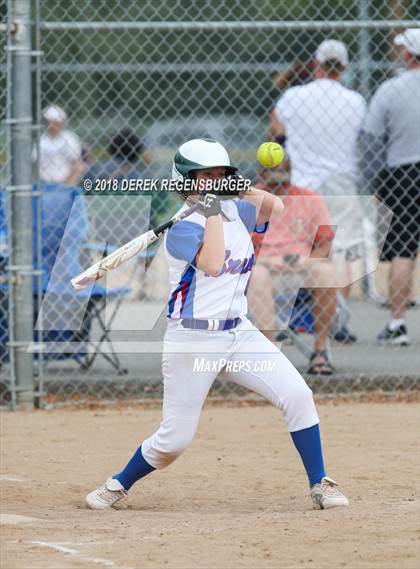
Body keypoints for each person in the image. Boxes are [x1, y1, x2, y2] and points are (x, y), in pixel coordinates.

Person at [85, 138, 349, 511]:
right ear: (186, 181)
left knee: (298, 395)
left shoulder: (238, 212)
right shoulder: (181, 230)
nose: (212, 181)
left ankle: (319, 482)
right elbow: (211, 263)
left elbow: (275, 206)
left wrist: (242, 188)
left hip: (238, 333)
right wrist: (209, 211)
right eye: (204, 175)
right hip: (192, 340)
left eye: (219, 175)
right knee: (174, 441)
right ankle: (117, 484)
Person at [269, 39, 367, 344]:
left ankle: (290, 318)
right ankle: (337, 319)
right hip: (342, 180)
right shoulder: (355, 100)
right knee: (344, 249)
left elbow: (275, 127)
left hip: (304, 181)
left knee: (298, 247)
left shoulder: (293, 96)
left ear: (316, 64)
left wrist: (288, 141)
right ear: (345, 67)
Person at [248, 159, 336, 375]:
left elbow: (325, 243)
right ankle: (269, 353)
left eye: (282, 179)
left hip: (301, 270)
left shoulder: (309, 198)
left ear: (290, 173)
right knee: (258, 276)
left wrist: (307, 261)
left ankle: (320, 351)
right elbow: (235, 247)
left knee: (325, 272)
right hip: (263, 268)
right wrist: (266, 261)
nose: (279, 189)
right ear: (260, 174)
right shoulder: (248, 201)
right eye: (272, 182)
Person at [362, 29, 420, 346]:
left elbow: (372, 138)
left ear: (408, 55)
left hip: (403, 172)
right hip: (405, 170)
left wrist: (373, 180)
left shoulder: (390, 89)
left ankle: (397, 324)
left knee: (402, 249)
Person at [37, 105, 84, 185]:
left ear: (61, 123)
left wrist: (67, 186)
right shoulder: (41, 140)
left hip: (65, 183)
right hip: (43, 184)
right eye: (48, 122)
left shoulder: (69, 138)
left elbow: (76, 165)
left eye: (55, 122)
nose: (51, 125)